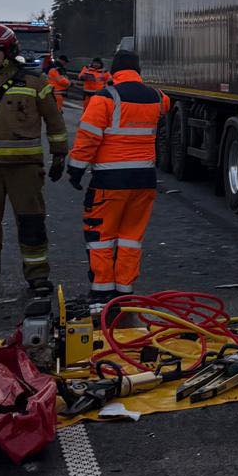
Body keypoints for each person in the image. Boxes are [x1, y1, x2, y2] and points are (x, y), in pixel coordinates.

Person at [0, 22, 68, 296]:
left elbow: (54, 121)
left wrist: (59, 154)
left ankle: (38, 277)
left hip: (25, 168)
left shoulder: (35, 82)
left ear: (9, 51)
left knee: (31, 223)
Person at [67, 49, 169, 304]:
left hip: (109, 181)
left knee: (101, 236)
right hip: (144, 180)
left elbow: (88, 138)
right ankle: (124, 291)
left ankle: (102, 292)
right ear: (138, 71)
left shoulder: (104, 98)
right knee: (131, 238)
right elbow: (165, 106)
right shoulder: (158, 98)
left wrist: (76, 170)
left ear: (113, 71)